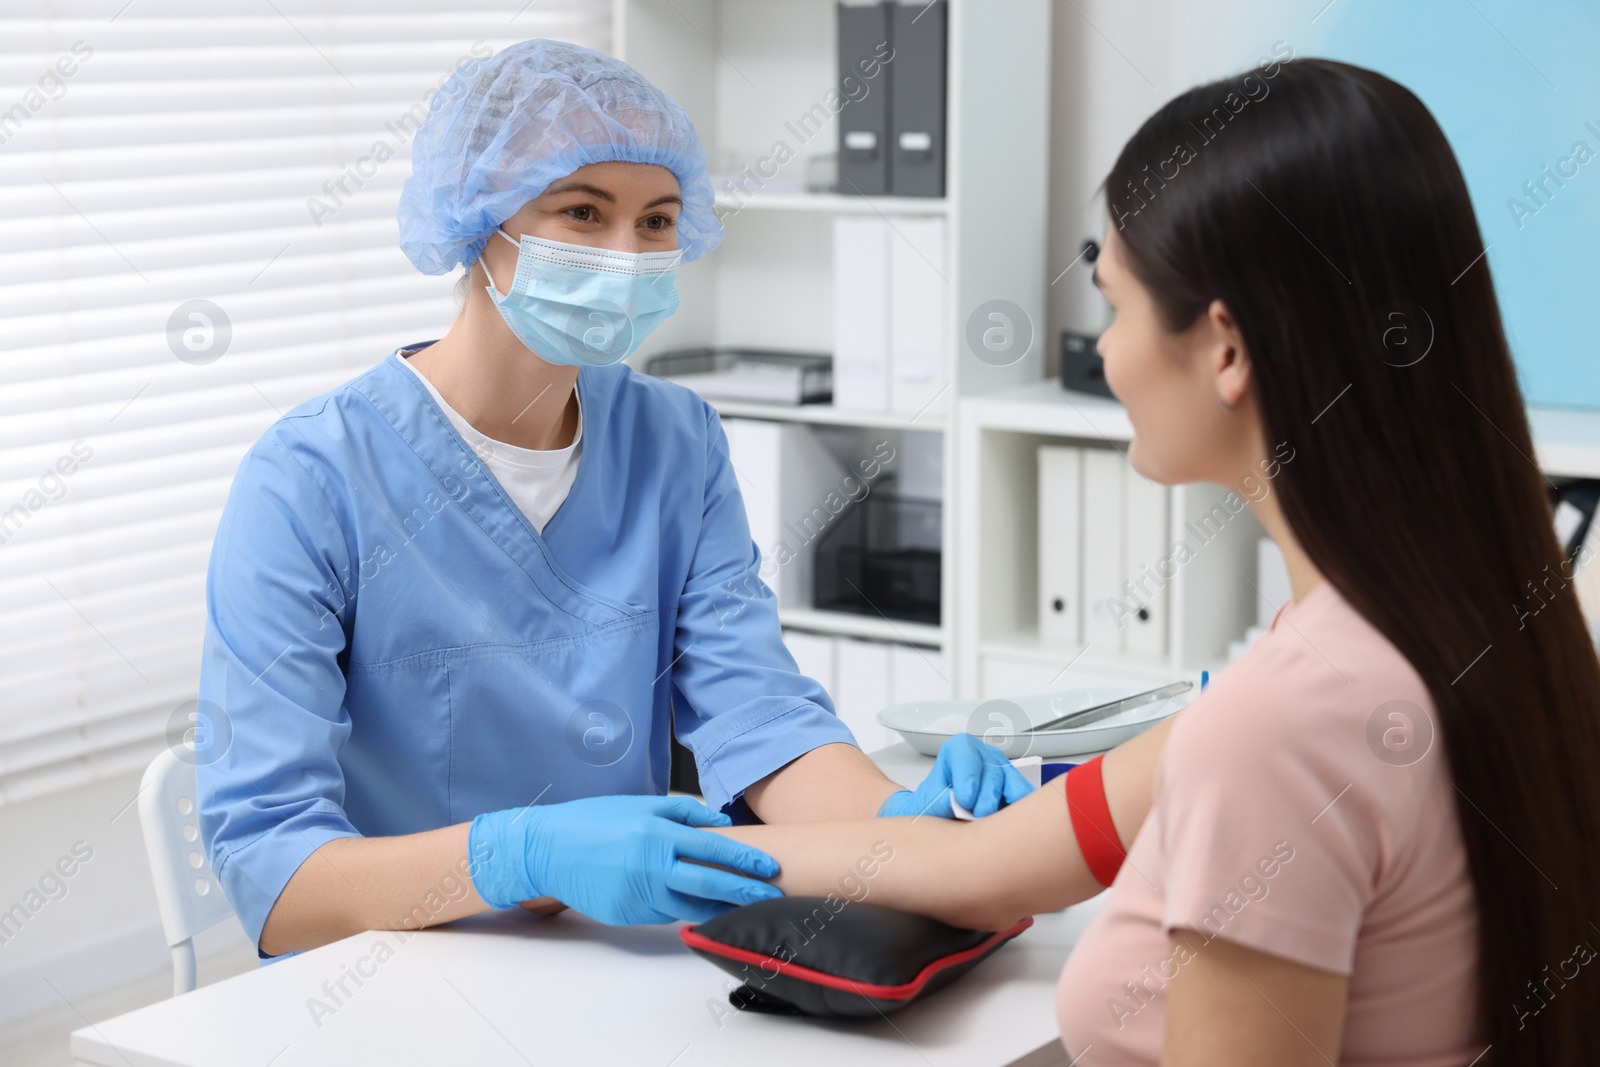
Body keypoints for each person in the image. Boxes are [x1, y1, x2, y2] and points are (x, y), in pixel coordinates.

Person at [701, 58, 1600, 1065]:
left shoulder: (1286, 724)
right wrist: (680, 855)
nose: (1107, 354)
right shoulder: (1479, 622)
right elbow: (992, 862)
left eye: (1115, 306)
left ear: (1225, 348)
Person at [194, 39, 1038, 961]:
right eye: (582, 211)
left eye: (658, 221)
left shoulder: (676, 442)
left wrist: (904, 821)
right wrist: (520, 855)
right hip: (390, 974)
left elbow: (759, 717)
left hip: (612, 962)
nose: (626, 255)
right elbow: (273, 876)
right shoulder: (309, 480)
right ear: (477, 223)